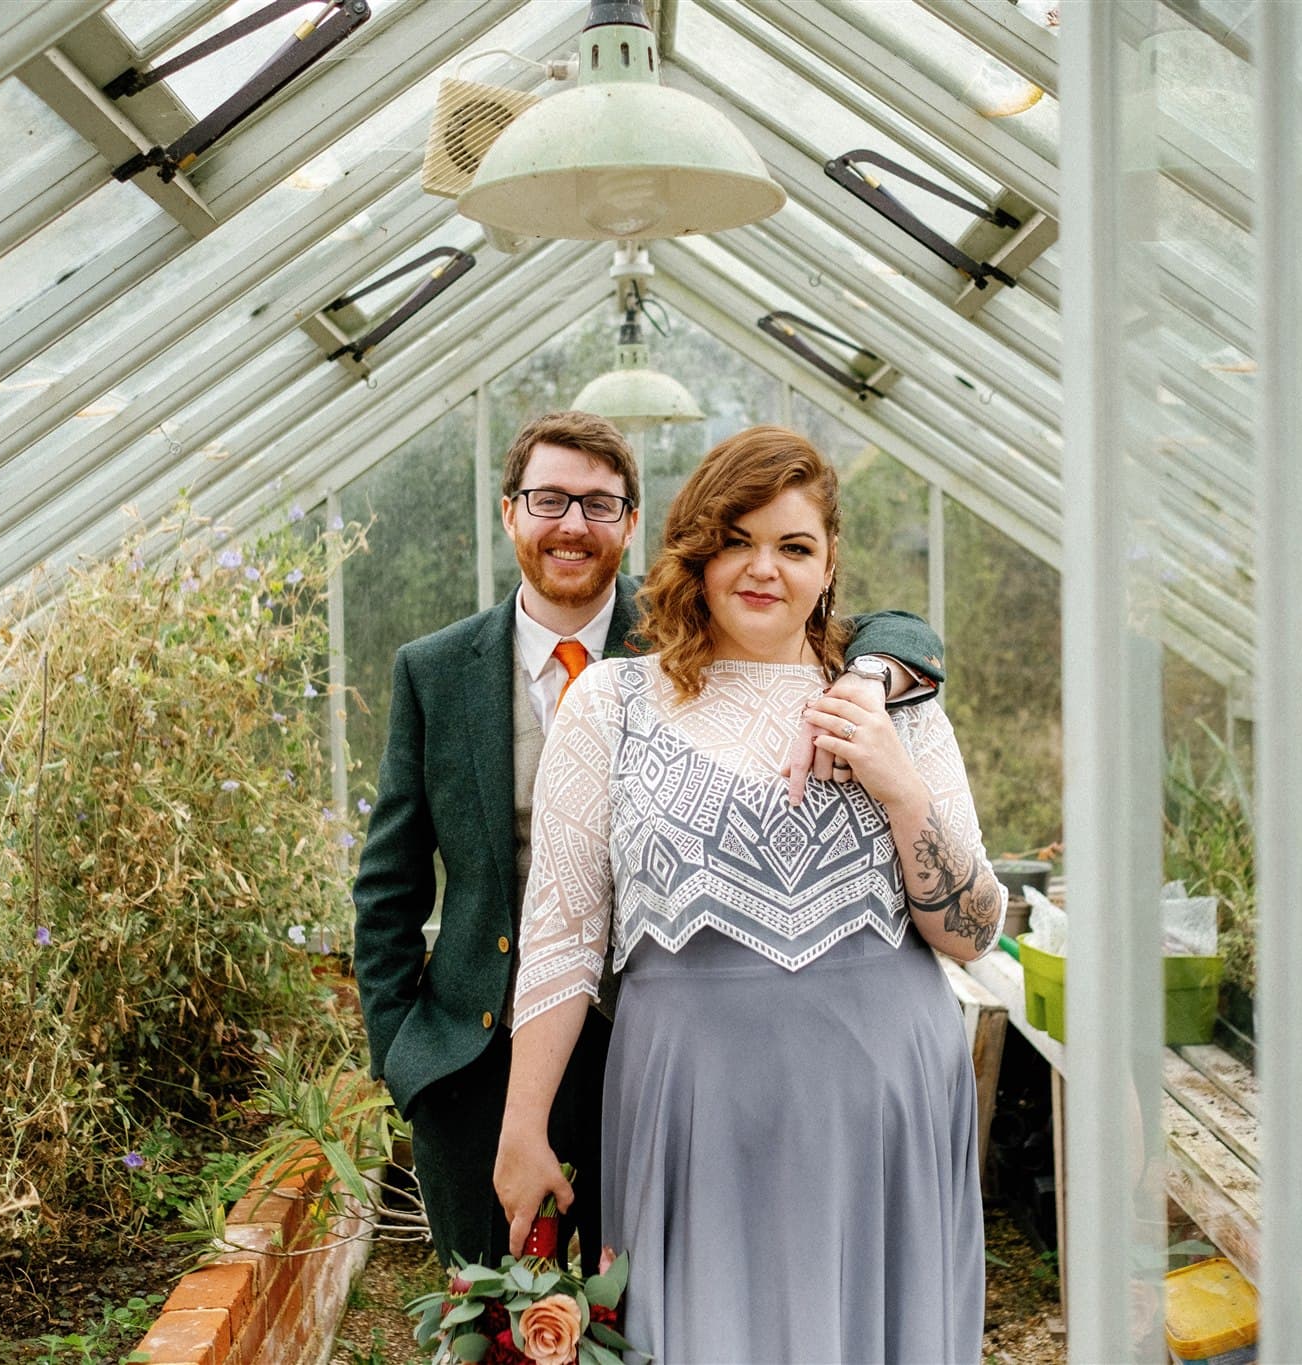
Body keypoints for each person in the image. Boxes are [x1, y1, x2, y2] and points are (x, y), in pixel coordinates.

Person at [354, 412, 947, 1275]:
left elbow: (897, 627)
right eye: (549, 499)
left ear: (633, 524)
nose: (572, 524)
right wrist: (405, 1055)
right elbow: (389, 884)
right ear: (511, 512)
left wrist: (871, 675)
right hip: (477, 1064)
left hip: (647, 1047)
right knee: (498, 1319)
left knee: (644, 1309)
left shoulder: (691, 626)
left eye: (600, 504)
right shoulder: (433, 669)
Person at [495, 425, 1003, 1362]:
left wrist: (896, 779)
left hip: (883, 1108)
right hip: (695, 1112)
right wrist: (523, 1126)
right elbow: (562, 939)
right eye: (738, 538)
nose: (764, 567)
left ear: (829, 564)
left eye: (795, 545)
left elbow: (971, 931)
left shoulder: (896, 703)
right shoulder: (609, 704)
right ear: (696, 548)